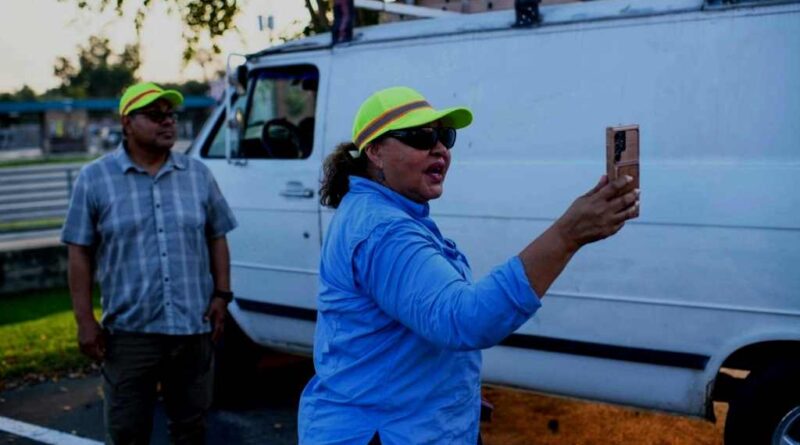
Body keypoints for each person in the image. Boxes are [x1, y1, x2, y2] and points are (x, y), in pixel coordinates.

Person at [297, 86, 639, 444]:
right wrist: (567, 235)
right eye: (420, 137)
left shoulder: (385, 213)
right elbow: (464, 319)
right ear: (375, 152)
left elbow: (406, 330)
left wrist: (454, 388)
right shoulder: (384, 231)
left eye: (445, 137)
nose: (439, 149)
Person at [62, 82, 238, 445]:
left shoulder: (197, 175)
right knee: (128, 432)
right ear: (127, 122)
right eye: (155, 115)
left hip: (192, 328)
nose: (168, 122)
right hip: (130, 334)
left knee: (191, 429)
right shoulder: (95, 179)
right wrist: (84, 320)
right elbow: (79, 252)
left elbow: (217, 236)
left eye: (171, 115)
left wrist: (222, 295)